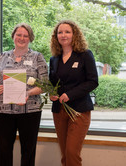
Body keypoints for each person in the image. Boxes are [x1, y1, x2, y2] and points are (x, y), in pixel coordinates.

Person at [0, 23, 48, 166]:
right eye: (19, 35)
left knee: (28, 150)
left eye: (25, 35)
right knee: (3, 150)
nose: (21, 38)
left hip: (30, 111)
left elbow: (45, 84)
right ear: (13, 37)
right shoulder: (2, 56)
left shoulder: (37, 57)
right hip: (4, 111)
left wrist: (28, 92)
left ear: (30, 38)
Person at [49, 20, 99, 166]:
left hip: (79, 111)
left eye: (67, 32)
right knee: (65, 154)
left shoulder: (85, 55)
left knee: (72, 152)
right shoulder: (54, 59)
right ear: (56, 36)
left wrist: (70, 94)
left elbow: (93, 81)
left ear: (74, 34)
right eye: (60, 32)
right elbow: (52, 83)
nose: (63, 35)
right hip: (59, 111)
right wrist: (51, 93)